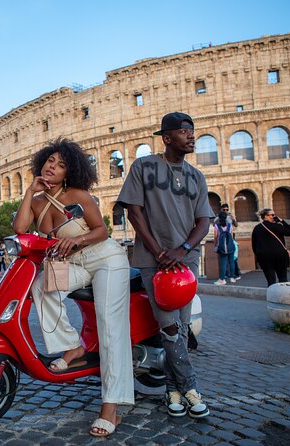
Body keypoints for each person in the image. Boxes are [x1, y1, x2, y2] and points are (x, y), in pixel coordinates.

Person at [13, 137, 132, 438]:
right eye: (50, 161)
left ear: (70, 172)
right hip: (75, 265)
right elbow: (19, 228)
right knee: (42, 287)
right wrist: (30, 192)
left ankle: (111, 407)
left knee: (109, 325)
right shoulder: (38, 200)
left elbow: (102, 230)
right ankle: (73, 347)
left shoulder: (78, 195)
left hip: (105, 259)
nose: (53, 166)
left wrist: (76, 240)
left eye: (61, 164)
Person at [117, 111, 214, 419]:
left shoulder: (196, 176)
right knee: (169, 327)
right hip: (152, 261)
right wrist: (159, 251)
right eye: (185, 131)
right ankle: (191, 389)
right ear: (167, 137)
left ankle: (172, 391)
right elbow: (134, 212)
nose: (191, 136)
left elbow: (203, 221)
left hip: (185, 262)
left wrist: (183, 248)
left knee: (180, 328)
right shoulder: (143, 167)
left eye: (193, 131)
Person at [251, 208, 290, 286]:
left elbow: (254, 245)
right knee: (283, 278)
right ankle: (283, 296)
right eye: (272, 215)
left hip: (264, 257)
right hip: (279, 256)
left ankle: (272, 296)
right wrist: (282, 221)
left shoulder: (257, 228)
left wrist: (258, 256)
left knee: (271, 281)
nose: (274, 217)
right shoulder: (276, 226)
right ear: (265, 216)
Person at [215, 203, 241, 280]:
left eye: (227, 209)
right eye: (224, 210)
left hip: (230, 240)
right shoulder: (218, 218)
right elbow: (215, 225)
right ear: (221, 209)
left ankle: (236, 274)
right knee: (226, 260)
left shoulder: (230, 217)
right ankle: (227, 275)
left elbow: (236, 225)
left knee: (233, 259)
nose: (226, 211)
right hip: (223, 240)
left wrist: (233, 219)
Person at [213, 211, 236, 285]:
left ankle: (222, 279)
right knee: (231, 262)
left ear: (219, 218)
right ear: (226, 218)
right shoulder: (230, 225)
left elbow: (215, 237)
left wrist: (215, 245)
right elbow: (232, 236)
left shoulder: (216, 226)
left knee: (223, 263)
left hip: (222, 247)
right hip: (231, 246)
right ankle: (232, 278)